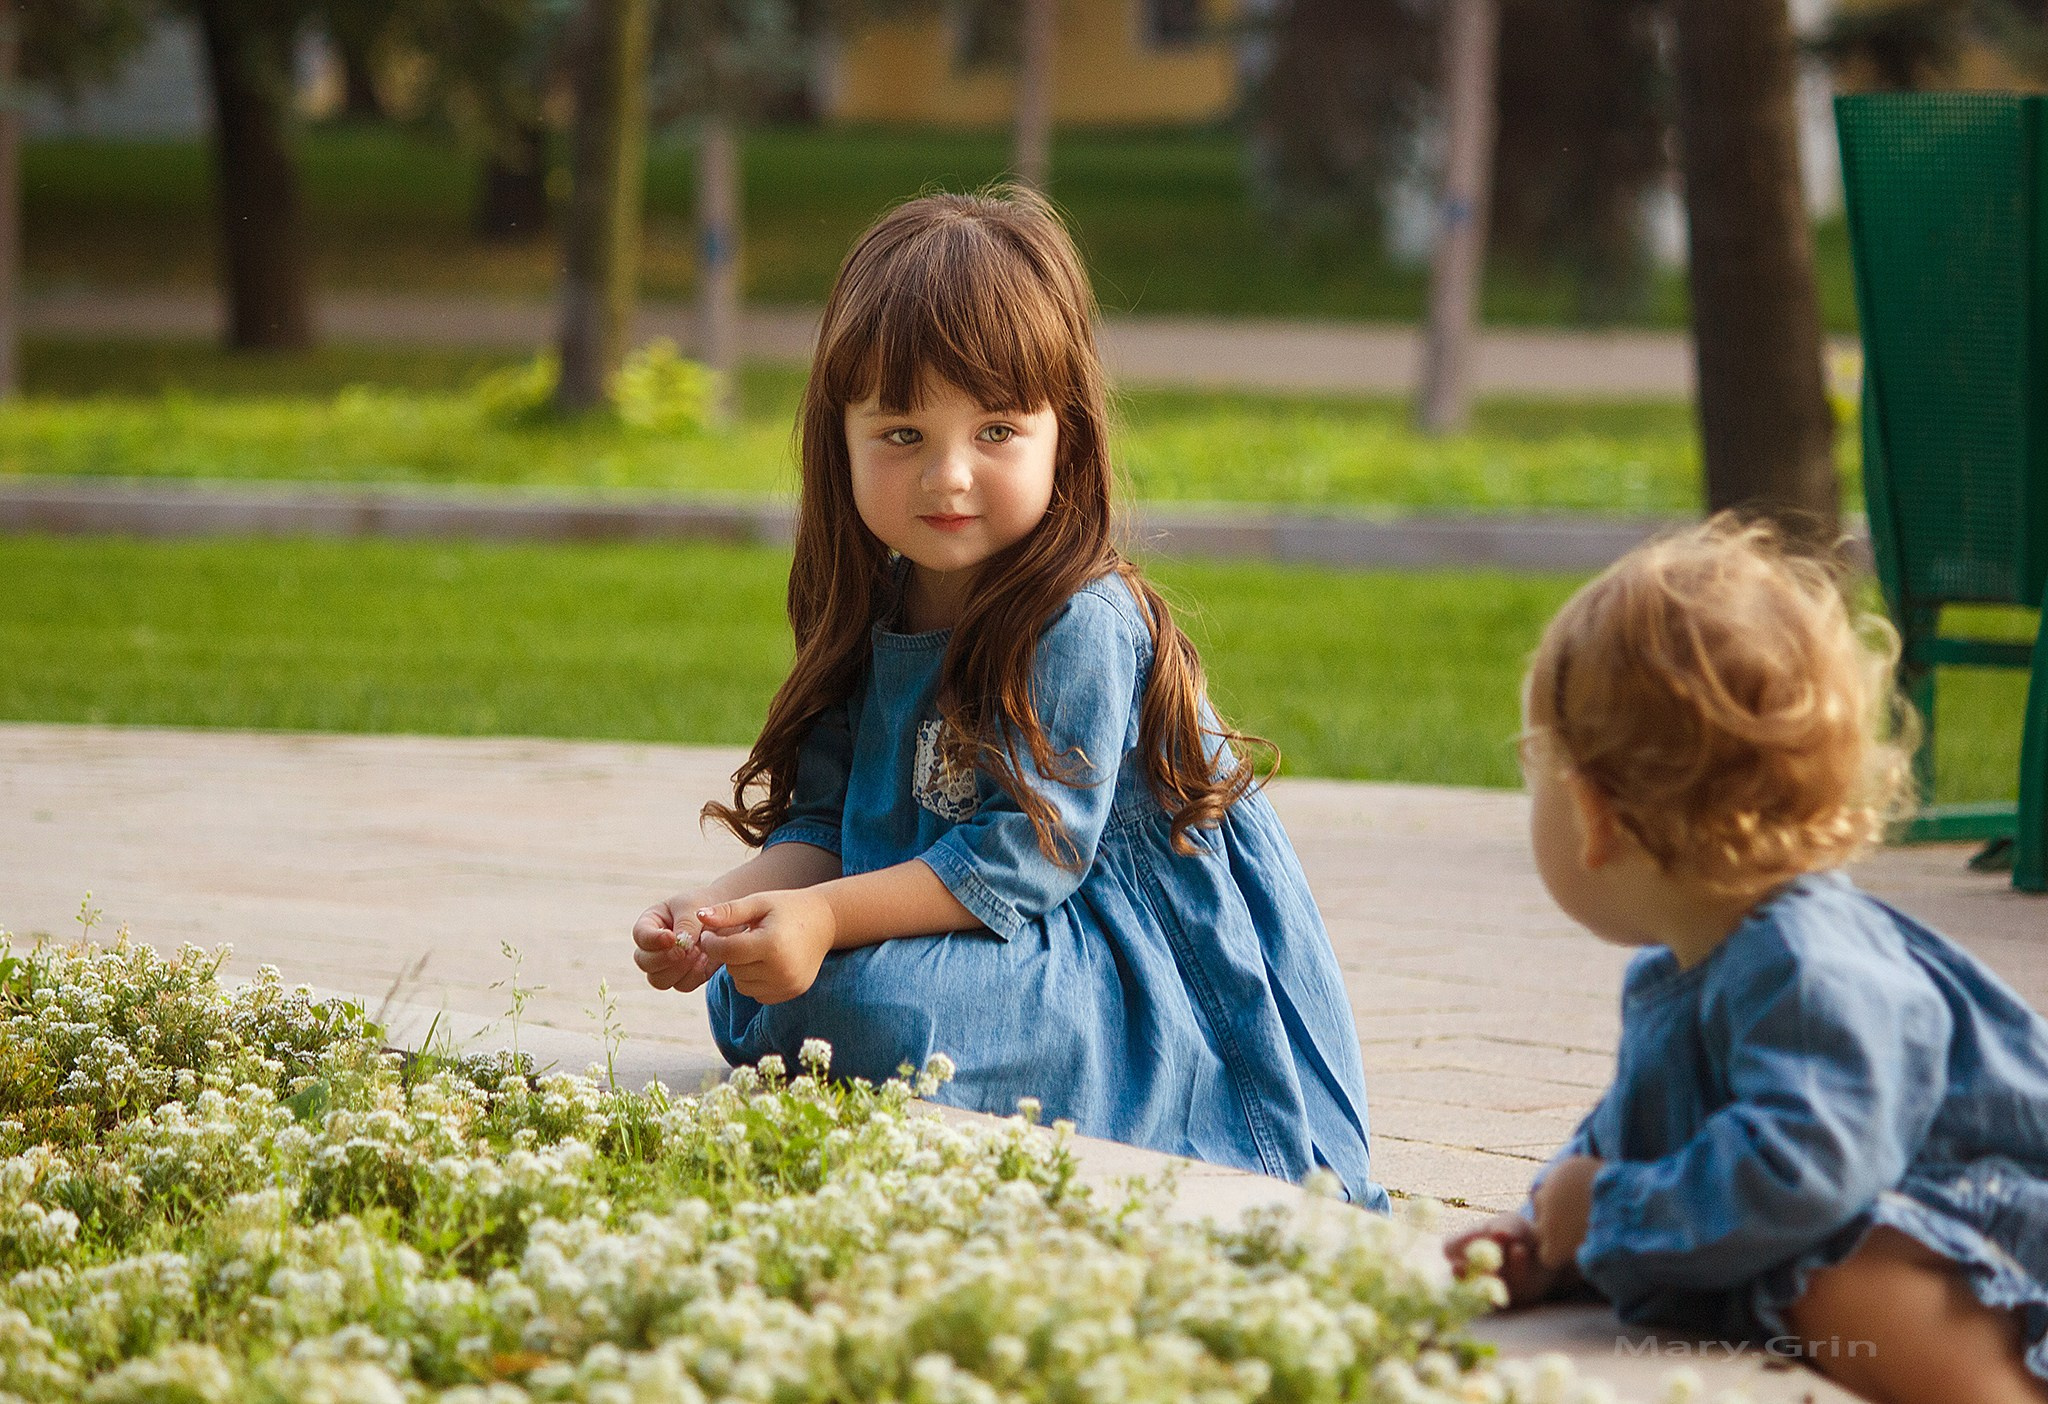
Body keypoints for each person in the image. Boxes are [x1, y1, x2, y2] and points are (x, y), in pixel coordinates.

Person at [629, 188, 1387, 1208]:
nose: (948, 477)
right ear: (837, 440)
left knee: (855, 1009)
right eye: (902, 433)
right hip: (948, 925)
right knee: (751, 985)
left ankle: (1151, 1093)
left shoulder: (1077, 618)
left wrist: (820, 921)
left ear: (1063, 434)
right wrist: (725, 910)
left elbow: (1019, 861)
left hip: (1105, 957)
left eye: (995, 429)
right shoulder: (873, 604)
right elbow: (825, 824)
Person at [1448, 518, 2048, 1403]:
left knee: (1842, 1279)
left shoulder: (1808, 963)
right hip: (1880, 1216)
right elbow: (1636, 1134)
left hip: (2005, 1241)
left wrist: (1610, 1211)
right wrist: (1546, 1231)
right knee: (1786, 1272)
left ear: (1595, 815)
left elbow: (1805, 1170)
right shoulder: (1683, 967)